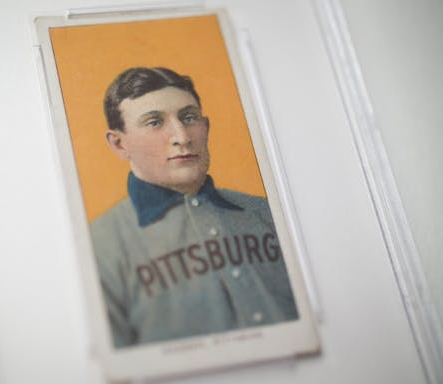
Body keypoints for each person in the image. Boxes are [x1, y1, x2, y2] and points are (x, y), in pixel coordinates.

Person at [90, 67, 298, 348]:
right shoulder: (100, 245)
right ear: (119, 144)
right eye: (154, 122)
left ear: (206, 127)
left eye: (189, 118)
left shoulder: (268, 213)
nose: (182, 136)